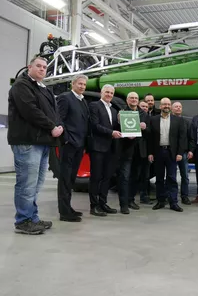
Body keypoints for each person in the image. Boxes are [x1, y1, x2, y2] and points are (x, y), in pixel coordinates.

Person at [7, 55, 63, 235]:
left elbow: (53, 111)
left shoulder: (43, 88)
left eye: (45, 67)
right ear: (29, 67)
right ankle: (23, 221)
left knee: (36, 184)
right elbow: (30, 111)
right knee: (27, 184)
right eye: (38, 66)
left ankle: (32, 217)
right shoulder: (21, 85)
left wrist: (58, 125)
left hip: (42, 141)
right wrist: (51, 126)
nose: (42, 69)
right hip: (27, 142)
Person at [56, 75, 89, 222]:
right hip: (69, 145)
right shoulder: (65, 98)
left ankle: (68, 207)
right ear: (73, 84)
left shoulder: (83, 101)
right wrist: (66, 140)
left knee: (71, 179)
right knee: (64, 179)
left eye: (84, 85)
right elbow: (59, 119)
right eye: (80, 84)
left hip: (79, 145)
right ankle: (64, 212)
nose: (82, 86)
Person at [88, 85, 122, 217]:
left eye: (111, 93)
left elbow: (115, 127)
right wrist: (111, 132)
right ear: (101, 92)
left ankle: (103, 203)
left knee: (107, 177)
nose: (109, 94)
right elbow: (95, 126)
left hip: (111, 148)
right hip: (98, 147)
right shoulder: (94, 106)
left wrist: (121, 124)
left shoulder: (114, 110)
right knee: (96, 177)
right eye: (107, 92)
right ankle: (94, 205)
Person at [148, 98, 187, 212]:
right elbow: (150, 138)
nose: (166, 106)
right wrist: (150, 152)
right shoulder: (153, 120)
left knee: (172, 178)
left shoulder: (178, 120)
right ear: (160, 106)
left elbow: (182, 138)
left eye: (168, 104)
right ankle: (160, 201)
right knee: (159, 178)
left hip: (172, 153)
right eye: (164, 104)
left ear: (170, 106)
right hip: (158, 152)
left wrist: (180, 153)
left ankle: (173, 202)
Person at [116, 92, 148, 214]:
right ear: (127, 100)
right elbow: (117, 128)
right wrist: (120, 122)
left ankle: (131, 200)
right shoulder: (121, 112)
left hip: (139, 151)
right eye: (131, 98)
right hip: (126, 149)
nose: (134, 100)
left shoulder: (143, 113)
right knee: (124, 177)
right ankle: (123, 204)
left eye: (136, 98)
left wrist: (145, 127)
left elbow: (149, 131)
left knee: (135, 177)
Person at [171, 101, 192, 205]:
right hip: (171, 153)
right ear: (172, 108)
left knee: (185, 176)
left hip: (183, 153)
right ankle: (172, 197)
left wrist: (190, 150)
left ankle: (185, 196)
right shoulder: (168, 120)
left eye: (180, 107)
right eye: (176, 107)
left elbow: (191, 138)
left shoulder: (186, 122)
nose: (178, 108)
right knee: (171, 176)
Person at [138, 100, 153, 204]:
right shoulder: (133, 116)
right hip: (134, 150)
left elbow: (152, 133)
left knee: (145, 175)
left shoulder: (150, 119)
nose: (144, 108)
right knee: (134, 175)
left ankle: (144, 196)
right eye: (142, 106)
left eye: (146, 107)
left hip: (146, 151)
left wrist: (145, 128)